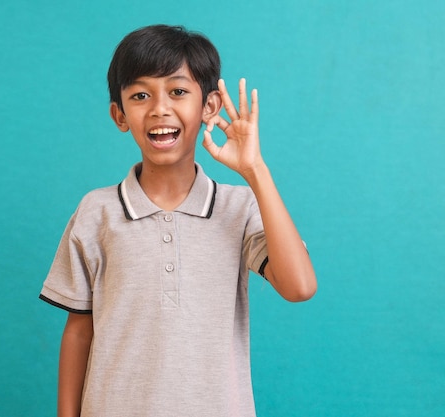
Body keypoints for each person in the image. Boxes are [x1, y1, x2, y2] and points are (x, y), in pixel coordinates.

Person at [39, 24, 317, 417]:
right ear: (119, 114)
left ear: (210, 107)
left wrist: (255, 170)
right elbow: (80, 330)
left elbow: (300, 287)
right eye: (140, 95)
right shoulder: (96, 212)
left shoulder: (239, 208)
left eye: (178, 91)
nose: (159, 108)